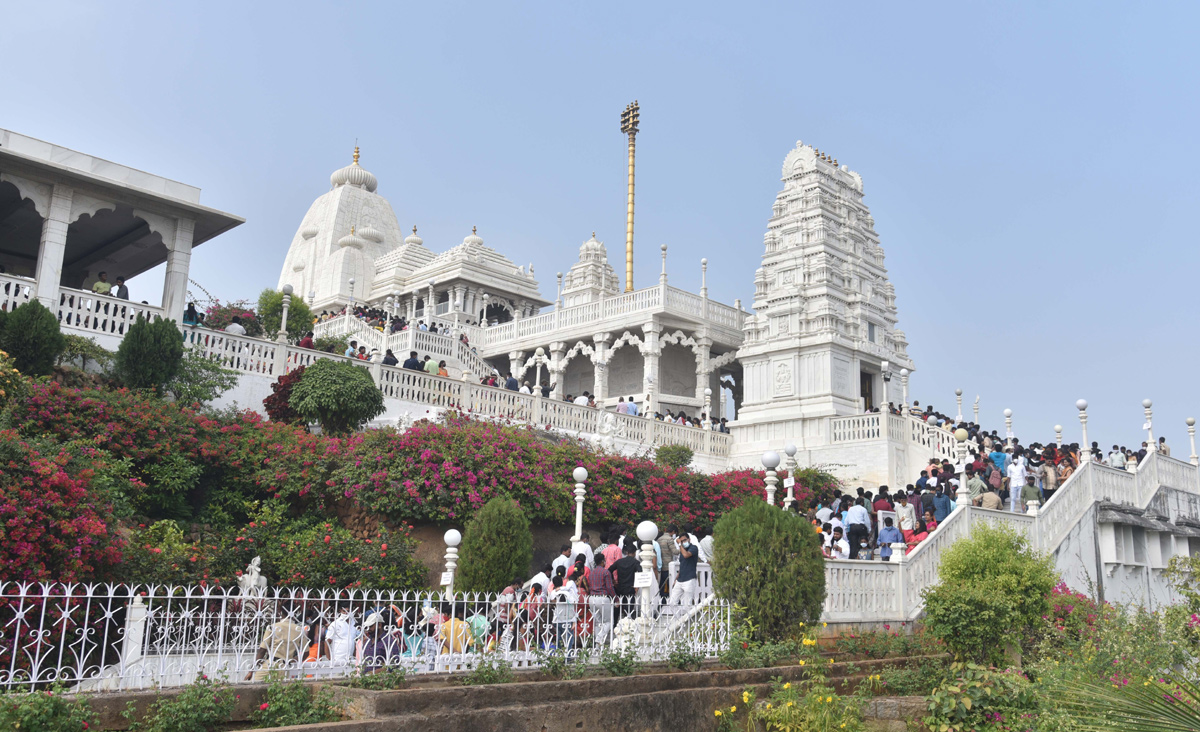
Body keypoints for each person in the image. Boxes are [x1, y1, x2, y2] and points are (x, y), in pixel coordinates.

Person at [244, 605, 307, 681]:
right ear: (294, 613)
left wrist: (251, 671)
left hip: (271, 664)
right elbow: (306, 652)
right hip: (285, 667)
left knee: (254, 684)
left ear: (281, 612)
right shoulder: (299, 630)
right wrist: (292, 660)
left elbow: (262, 650)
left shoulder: (273, 627)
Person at [609, 543, 642, 618]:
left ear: (627, 552)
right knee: (629, 609)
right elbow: (640, 572)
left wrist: (613, 581)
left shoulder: (619, 561)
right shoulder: (635, 562)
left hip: (620, 588)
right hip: (630, 588)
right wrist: (637, 585)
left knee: (621, 608)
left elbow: (609, 570)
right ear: (634, 552)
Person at [670, 531, 699, 605]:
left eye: (685, 540)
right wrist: (676, 579)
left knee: (687, 604)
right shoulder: (682, 550)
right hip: (680, 579)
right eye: (682, 541)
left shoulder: (694, 548)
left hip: (689, 579)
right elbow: (682, 564)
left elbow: (686, 555)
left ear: (689, 539)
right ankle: (676, 616)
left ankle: (687, 617)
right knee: (672, 602)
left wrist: (680, 544)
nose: (683, 542)